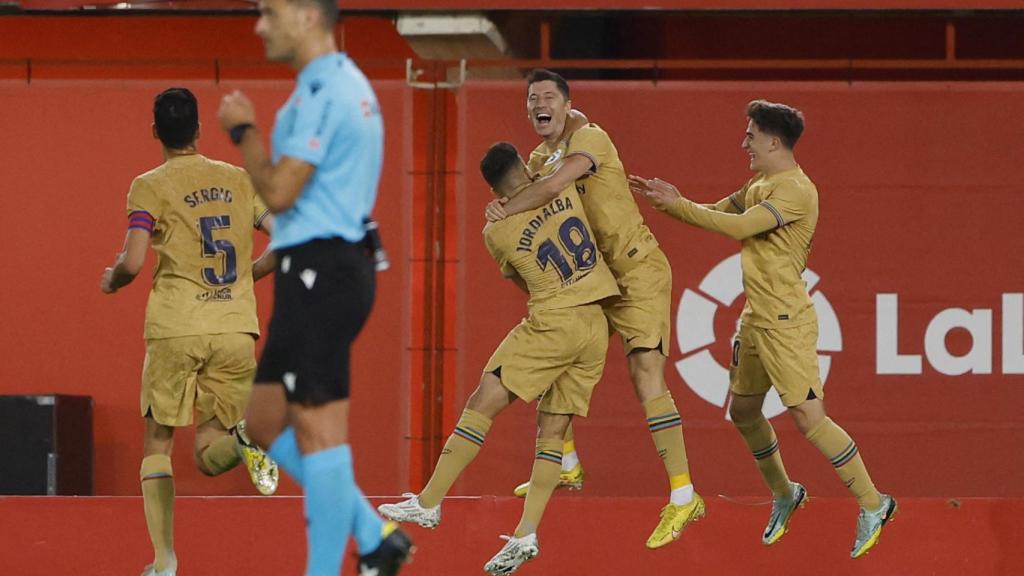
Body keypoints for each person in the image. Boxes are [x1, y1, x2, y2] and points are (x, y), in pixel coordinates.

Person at [629, 99, 897, 559]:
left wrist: (680, 206)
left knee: (809, 420)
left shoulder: (796, 190)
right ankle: (785, 492)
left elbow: (737, 227)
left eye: (750, 135)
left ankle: (874, 503)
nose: (744, 143)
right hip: (754, 319)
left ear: (774, 140)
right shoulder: (760, 183)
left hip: (787, 323)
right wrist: (669, 203)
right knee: (744, 413)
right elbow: (716, 209)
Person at [215, 1, 412, 575]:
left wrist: (243, 130)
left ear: (306, 16)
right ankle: (374, 534)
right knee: (262, 422)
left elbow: (277, 193)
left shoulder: (328, 93)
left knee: (320, 435)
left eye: (268, 12)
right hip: (317, 269)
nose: (259, 25)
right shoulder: (325, 85)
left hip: (323, 273)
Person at [485, 69, 704, 549]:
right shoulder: (540, 156)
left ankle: (684, 495)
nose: (539, 105)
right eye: (532, 99)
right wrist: (502, 207)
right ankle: (565, 464)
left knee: (646, 376)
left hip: (639, 272)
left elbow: (546, 191)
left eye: (548, 97)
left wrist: (506, 207)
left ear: (566, 105)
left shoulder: (591, 138)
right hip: (597, 281)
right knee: (562, 363)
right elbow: (538, 200)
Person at [379, 142, 620, 575]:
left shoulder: (496, 230)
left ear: (493, 193)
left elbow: (520, 279)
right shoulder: (560, 186)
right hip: (597, 323)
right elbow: (553, 177)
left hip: (555, 320)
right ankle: (527, 532)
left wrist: (506, 212)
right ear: (523, 167)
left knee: (482, 401)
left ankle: (430, 502)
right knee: (552, 429)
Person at [99, 87, 280, 576]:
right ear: (200, 130)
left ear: (156, 131)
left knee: (159, 443)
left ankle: (164, 560)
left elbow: (134, 262)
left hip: (177, 328)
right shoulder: (239, 180)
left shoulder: (148, 186)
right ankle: (245, 440)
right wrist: (249, 275)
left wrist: (113, 279)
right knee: (208, 452)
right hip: (236, 329)